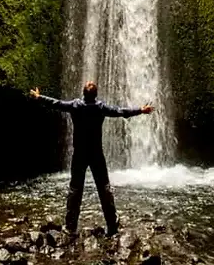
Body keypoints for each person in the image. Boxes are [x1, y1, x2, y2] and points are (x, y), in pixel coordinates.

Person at [30, 81, 154, 236]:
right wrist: (141, 110)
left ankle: (70, 227)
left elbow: (56, 103)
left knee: (75, 189)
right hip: (96, 154)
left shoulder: (75, 106)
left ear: (83, 94)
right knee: (104, 189)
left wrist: (38, 97)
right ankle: (112, 225)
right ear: (96, 95)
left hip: (79, 153)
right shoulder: (100, 107)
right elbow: (120, 111)